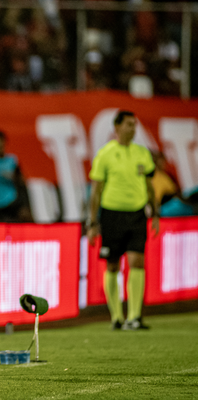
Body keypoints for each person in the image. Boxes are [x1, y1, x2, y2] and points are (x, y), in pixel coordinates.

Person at [87, 110, 159, 331]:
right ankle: (116, 316)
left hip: (137, 214)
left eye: (134, 124)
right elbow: (96, 192)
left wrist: (154, 214)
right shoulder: (105, 154)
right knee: (112, 265)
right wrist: (92, 223)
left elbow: (149, 187)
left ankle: (135, 316)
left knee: (137, 261)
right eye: (129, 124)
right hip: (111, 215)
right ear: (117, 127)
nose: (133, 128)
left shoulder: (142, 153)